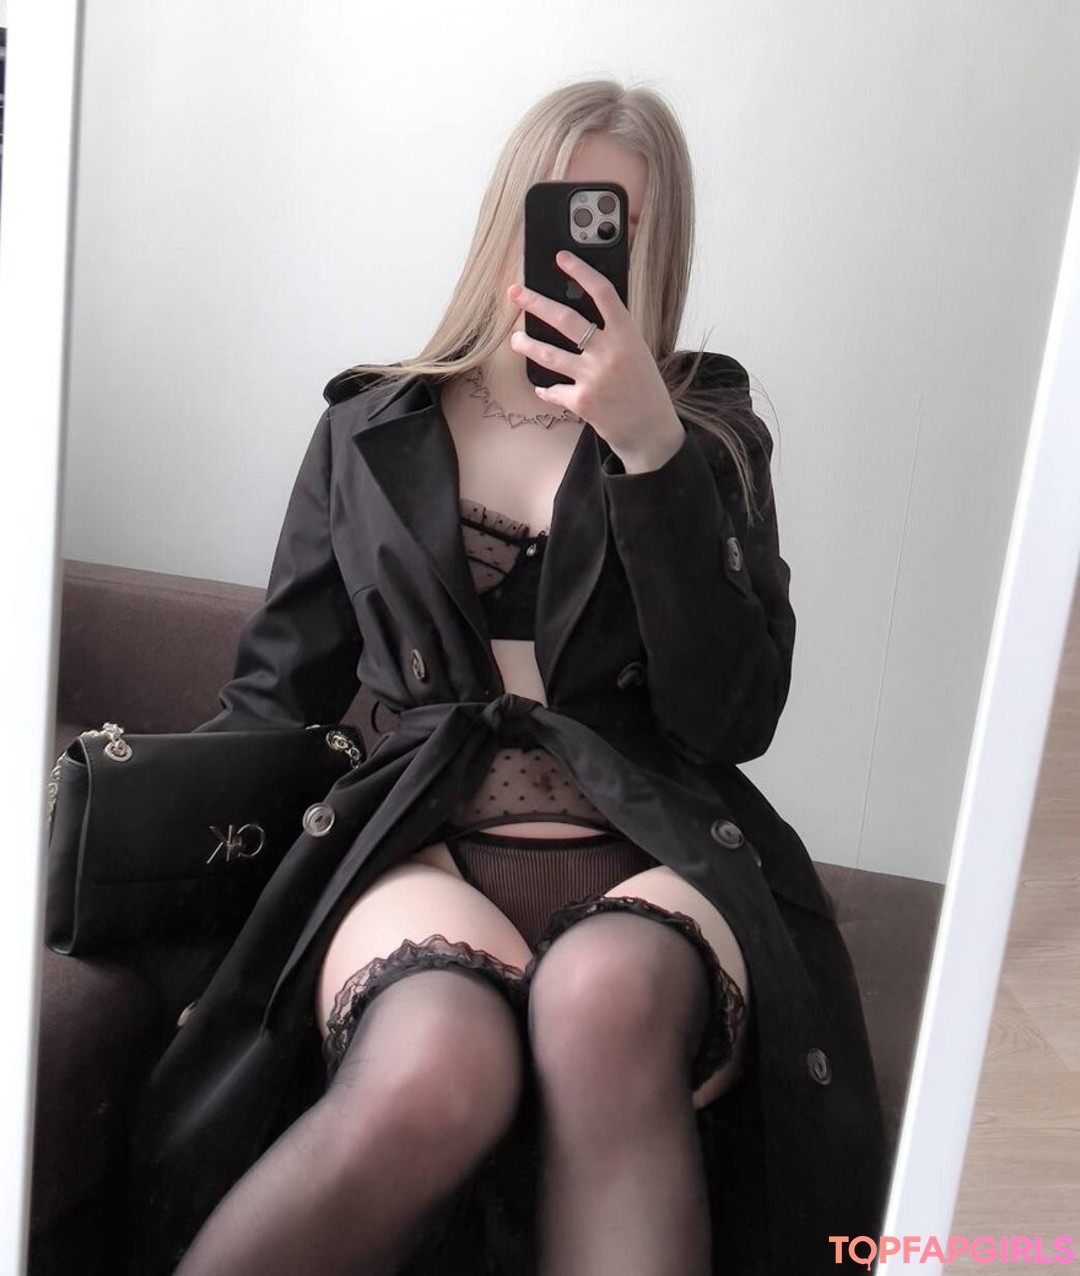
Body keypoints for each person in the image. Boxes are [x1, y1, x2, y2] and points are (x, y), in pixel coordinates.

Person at [129, 79, 888, 1276]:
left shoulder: (708, 430)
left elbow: (733, 715)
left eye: (616, 223)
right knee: (432, 1064)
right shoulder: (369, 424)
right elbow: (276, 695)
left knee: (605, 1003)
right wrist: (147, 841)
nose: (583, 247)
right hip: (423, 846)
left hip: (651, 848)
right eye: (560, 208)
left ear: (654, 245)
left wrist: (648, 449)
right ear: (508, 215)